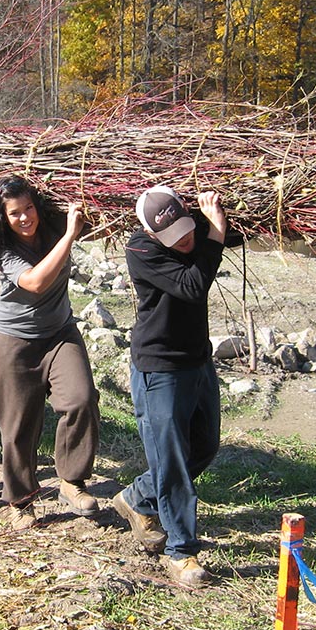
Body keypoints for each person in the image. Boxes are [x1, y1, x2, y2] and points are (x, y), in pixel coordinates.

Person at [114, 186, 234, 586]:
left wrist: (216, 224)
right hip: (159, 368)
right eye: (173, 237)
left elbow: (228, 237)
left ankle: (136, 497)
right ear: (151, 234)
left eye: (187, 230)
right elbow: (191, 285)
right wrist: (214, 234)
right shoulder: (140, 251)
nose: (185, 240)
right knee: (175, 464)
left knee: (204, 446)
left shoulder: (196, 226)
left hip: (197, 360)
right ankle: (181, 551)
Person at [0, 175, 100, 531]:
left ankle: (72, 480)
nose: (25, 217)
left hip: (60, 333)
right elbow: (35, 281)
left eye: (29, 208)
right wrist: (69, 237)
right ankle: (20, 499)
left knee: (81, 399)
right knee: (18, 428)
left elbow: (98, 222)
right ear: (3, 219)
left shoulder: (53, 225)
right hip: (14, 343)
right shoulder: (2, 250)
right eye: (15, 213)